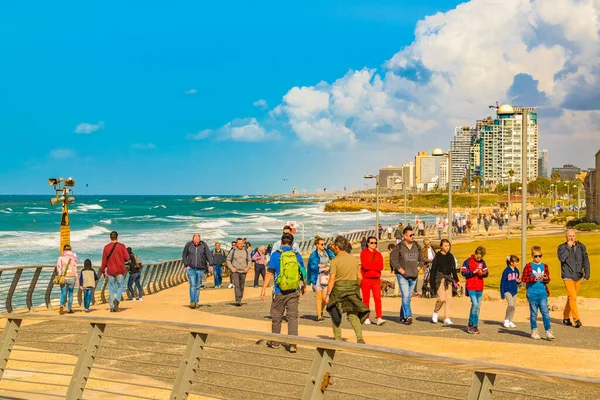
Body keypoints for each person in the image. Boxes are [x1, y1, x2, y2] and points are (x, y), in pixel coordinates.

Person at [261, 233, 306, 352]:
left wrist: (263, 289)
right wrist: (304, 286)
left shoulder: (276, 255)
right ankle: (293, 344)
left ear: (281, 242)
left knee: (277, 316)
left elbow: (269, 273)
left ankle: (275, 342)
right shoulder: (297, 255)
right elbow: (303, 272)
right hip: (294, 291)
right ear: (292, 243)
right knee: (292, 317)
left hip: (279, 291)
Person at [325, 236, 368, 343]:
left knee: (336, 314)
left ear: (336, 247)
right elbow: (360, 277)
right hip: (353, 288)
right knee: (353, 314)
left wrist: (328, 295)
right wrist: (355, 287)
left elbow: (332, 279)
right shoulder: (353, 259)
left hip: (338, 290)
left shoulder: (334, 261)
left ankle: (338, 339)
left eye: (334, 246)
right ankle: (359, 337)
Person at [390, 227, 424, 324]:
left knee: (408, 297)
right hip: (402, 275)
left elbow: (422, 259)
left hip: (413, 275)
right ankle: (408, 316)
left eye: (413, 235)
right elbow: (393, 261)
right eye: (410, 235)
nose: (413, 236)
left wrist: (418, 267)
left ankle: (402, 316)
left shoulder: (417, 246)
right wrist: (401, 270)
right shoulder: (398, 247)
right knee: (405, 295)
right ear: (404, 236)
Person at [557, 229, 590, 328]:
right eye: (570, 236)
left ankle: (566, 317)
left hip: (578, 275)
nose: (572, 238)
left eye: (573, 236)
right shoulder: (562, 247)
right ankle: (576, 319)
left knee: (571, 297)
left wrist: (587, 273)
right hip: (567, 275)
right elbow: (562, 258)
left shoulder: (581, 246)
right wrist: (568, 247)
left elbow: (585, 260)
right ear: (566, 237)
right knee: (573, 297)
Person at [522, 246, 554, 340]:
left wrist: (546, 278)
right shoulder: (528, 266)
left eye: (540, 256)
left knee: (545, 312)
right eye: (536, 256)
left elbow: (548, 279)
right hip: (532, 293)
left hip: (542, 292)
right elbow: (524, 279)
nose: (538, 258)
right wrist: (533, 278)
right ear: (532, 256)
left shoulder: (545, 266)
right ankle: (534, 330)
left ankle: (548, 331)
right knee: (533, 313)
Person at [430, 239, 458, 325]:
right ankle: (435, 311)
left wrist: (456, 280)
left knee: (449, 299)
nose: (447, 247)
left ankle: (447, 317)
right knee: (442, 298)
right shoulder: (438, 256)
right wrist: (432, 282)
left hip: (448, 279)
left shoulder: (450, 256)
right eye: (445, 246)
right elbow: (433, 269)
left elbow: (453, 269)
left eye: (448, 246)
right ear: (441, 247)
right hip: (439, 278)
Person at [461, 246, 489, 334]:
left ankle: (475, 325)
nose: (479, 258)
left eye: (481, 257)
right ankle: (470, 323)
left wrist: (482, 273)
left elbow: (486, 273)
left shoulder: (482, 262)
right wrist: (473, 272)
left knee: (478, 306)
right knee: (475, 304)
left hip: (479, 286)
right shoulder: (468, 261)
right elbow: (463, 272)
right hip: (471, 286)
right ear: (475, 253)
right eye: (478, 256)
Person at [182, 234, 213, 309]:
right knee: (193, 284)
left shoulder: (203, 245)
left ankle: (196, 301)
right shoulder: (188, 245)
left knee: (198, 286)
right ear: (193, 239)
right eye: (195, 240)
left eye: (197, 240)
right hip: (191, 268)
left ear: (199, 239)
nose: (196, 242)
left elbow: (208, 255)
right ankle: (192, 301)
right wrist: (186, 265)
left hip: (201, 268)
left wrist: (211, 265)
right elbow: (184, 255)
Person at [307, 236, 335, 322]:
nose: (323, 246)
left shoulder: (328, 252)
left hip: (326, 276)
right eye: (322, 244)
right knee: (319, 297)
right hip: (317, 277)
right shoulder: (313, 255)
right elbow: (311, 266)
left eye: (324, 244)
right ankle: (319, 316)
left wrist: (328, 266)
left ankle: (322, 310)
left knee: (325, 298)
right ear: (317, 245)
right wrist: (310, 280)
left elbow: (335, 260)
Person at [101, 231, 130, 312]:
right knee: (120, 286)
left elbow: (104, 261)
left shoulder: (106, 247)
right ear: (117, 237)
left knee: (111, 288)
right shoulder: (122, 246)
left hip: (110, 271)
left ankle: (112, 307)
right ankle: (117, 300)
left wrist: (102, 271)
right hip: (120, 270)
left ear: (110, 238)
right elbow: (127, 257)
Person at [360, 236, 385, 326]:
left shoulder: (378, 254)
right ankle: (367, 318)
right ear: (367, 243)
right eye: (372, 243)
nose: (374, 244)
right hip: (366, 279)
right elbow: (366, 266)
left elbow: (381, 267)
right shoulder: (363, 253)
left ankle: (379, 318)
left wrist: (372, 266)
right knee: (366, 300)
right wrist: (374, 266)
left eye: (375, 243)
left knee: (377, 299)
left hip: (376, 280)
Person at [227, 238, 252, 306]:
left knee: (242, 286)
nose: (241, 245)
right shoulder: (233, 251)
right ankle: (238, 300)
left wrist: (247, 268)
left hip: (243, 271)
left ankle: (240, 298)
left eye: (242, 243)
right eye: (239, 243)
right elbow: (228, 260)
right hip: (235, 271)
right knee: (237, 285)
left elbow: (250, 260)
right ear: (237, 244)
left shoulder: (246, 251)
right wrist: (231, 268)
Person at [56, 244, 79, 315]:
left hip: (64, 278)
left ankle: (61, 306)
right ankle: (69, 309)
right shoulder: (74, 257)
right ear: (70, 249)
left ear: (64, 250)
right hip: (72, 277)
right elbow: (75, 268)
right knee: (71, 294)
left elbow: (59, 266)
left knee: (63, 293)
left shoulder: (61, 257)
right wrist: (77, 278)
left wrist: (60, 274)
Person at [500, 255, 520, 328]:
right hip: (507, 290)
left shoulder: (517, 271)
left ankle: (510, 320)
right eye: (516, 262)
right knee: (510, 305)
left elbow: (517, 281)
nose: (517, 263)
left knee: (513, 307)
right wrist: (502, 293)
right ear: (511, 262)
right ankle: (506, 320)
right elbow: (502, 282)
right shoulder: (506, 271)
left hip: (514, 291)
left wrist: (519, 282)